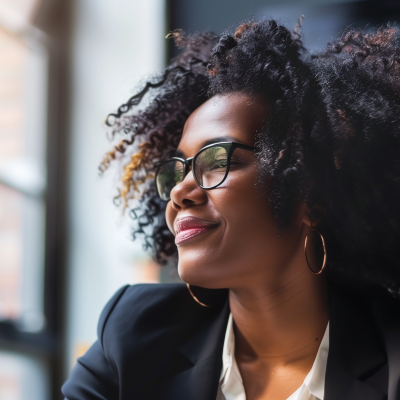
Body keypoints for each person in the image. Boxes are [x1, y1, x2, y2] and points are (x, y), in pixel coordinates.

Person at [62, 18, 400, 400]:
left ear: (311, 195)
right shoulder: (133, 334)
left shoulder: (392, 356)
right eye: (177, 170)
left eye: (217, 160)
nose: (180, 193)